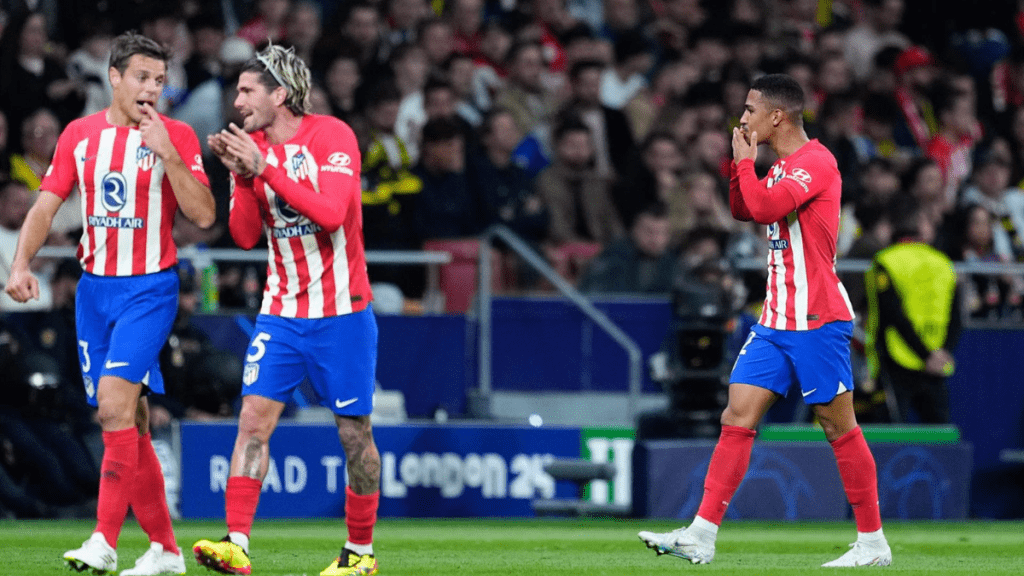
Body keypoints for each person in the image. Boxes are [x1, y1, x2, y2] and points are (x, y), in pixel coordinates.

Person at [637, 74, 892, 567]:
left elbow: (764, 206)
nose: (744, 117)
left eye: (751, 109)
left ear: (777, 116)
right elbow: (742, 208)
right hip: (776, 318)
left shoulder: (816, 163)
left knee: (839, 428)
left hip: (816, 318)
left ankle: (873, 542)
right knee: (736, 417)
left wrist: (746, 166)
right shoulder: (777, 167)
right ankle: (702, 534)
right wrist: (741, 166)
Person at [3, 31, 216, 575]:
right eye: (142, 77)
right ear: (114, 77)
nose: (152, 89)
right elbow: (47, 203)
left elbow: (204, 214)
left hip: (149, 288)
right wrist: (21, 265)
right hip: (95, 294)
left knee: (114, 408)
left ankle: (103, 538)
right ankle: (167, 551)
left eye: (161, 81)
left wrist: (169, 155)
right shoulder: (80, 134)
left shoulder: (179, 135)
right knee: (132, 421)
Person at [192, 42, 381, 576]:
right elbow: (247, 236)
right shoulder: (248, 147)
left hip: (344, 310)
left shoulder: (332, 135)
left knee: (354, 433)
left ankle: (360, 554)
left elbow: (332, 213)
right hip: (281, 311)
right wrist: (242, 175)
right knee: (252, 421)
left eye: (248, 89)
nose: (237, 100)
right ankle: (236, 543)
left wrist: (265, 170)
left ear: (281, 94)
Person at [865, 205, 959, 424]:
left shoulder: (885, 260)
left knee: (891, 439)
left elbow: (892, 314)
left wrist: (925, 355)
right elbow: (956, 318)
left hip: (896, 358)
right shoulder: (944, 263)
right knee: (940, 434)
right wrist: (941, 353)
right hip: (937, 358)